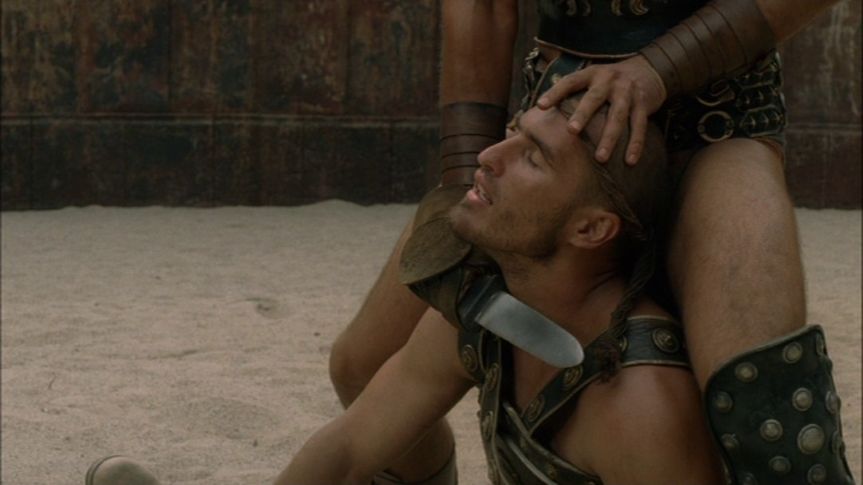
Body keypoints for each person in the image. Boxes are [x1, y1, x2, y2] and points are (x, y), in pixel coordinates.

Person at [328, 0, 855, 483]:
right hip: (565, 119)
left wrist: (658, 68)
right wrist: (468, 179)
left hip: (718, 123)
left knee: (765, 402)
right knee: (364, 365)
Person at [274, 99, 724, 485]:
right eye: (512, 132)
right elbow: (350, 449)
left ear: (590, 228)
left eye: (533, 158)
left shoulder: (643, 406)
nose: (488, 156)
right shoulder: (489, 309)